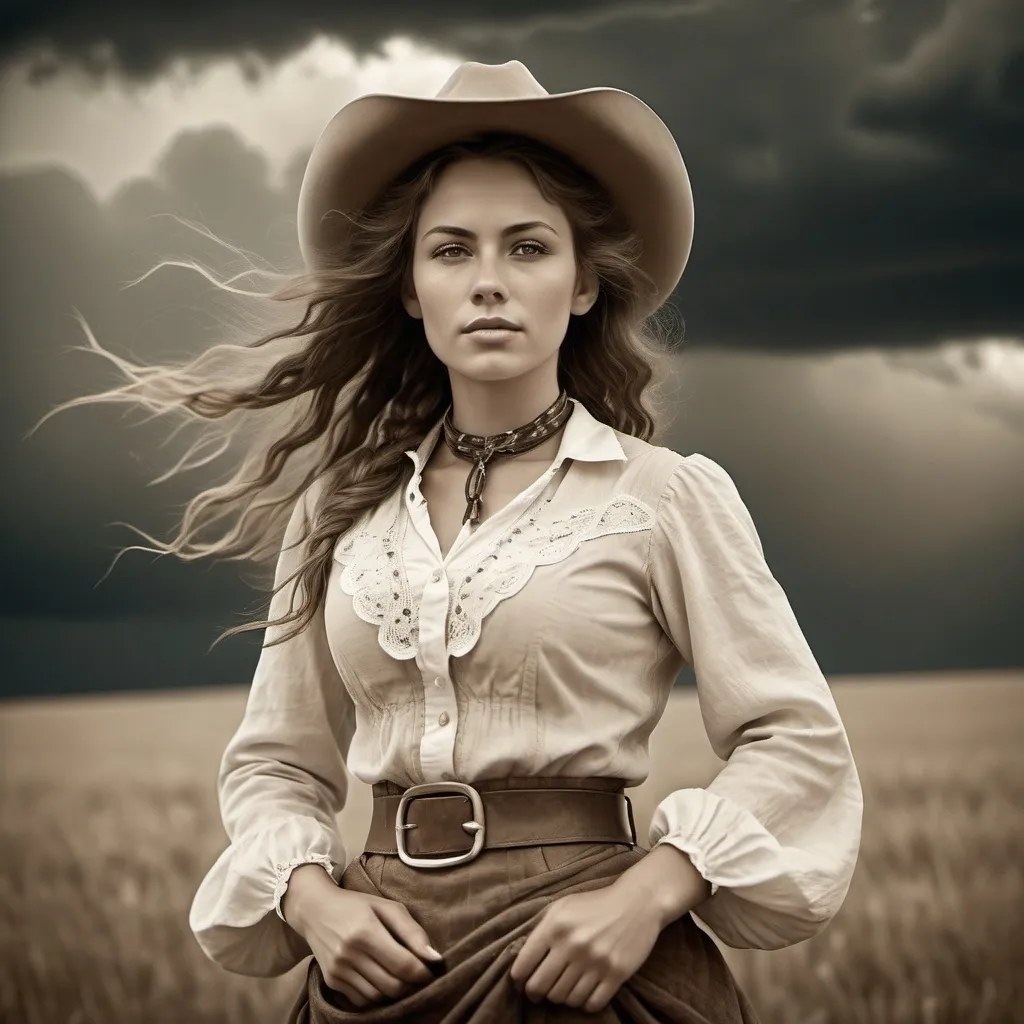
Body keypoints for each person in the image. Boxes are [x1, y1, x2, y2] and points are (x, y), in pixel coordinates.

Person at [170, 59, 863, 1022]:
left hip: (588, 964)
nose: (488, 283)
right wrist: (313, 901)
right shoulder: (337, 511)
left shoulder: (664, 497)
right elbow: (276, 763)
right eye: (451, 251)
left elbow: (794, 738)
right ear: (410, 288)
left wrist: (647, 896)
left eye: (528, 248)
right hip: (376, 974)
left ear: (583, 284)